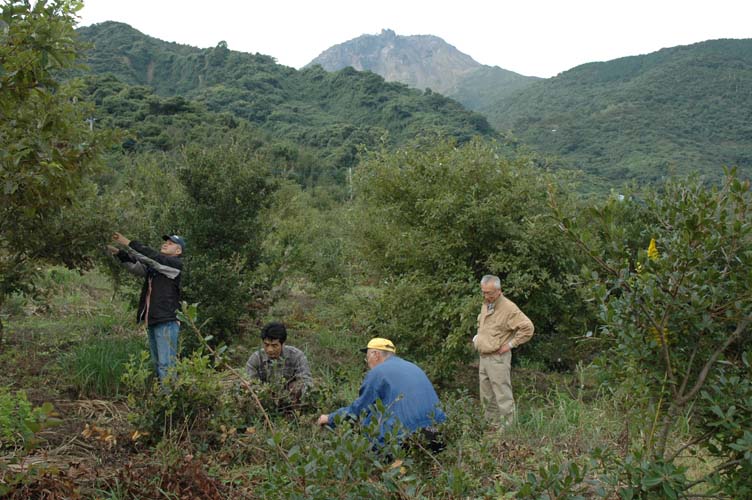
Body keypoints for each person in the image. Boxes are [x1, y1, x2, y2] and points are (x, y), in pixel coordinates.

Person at [317, 338, 446, 448]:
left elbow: (359, 410)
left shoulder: (378, 372)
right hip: (439, 433)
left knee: (369, 424)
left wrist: (330, 418)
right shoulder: (414, 367)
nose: (367, 362)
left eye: (367, 357)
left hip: (405, 438)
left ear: (376, 355)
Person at [108, 232, 185, 381]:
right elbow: (137, 266)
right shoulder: (156, 268)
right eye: (165, 242)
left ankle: (169, 399)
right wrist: (118, 253)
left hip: (166, 322)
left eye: (170, 243)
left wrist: (127, 242)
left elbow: (151, 258)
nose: (165, 244)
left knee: (166, 365)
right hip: (154, 321)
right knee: (158, 364)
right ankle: (163, 399)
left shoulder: (174, 265)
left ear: (178, 251)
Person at [474, 275, 534, 429]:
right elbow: (484, 324)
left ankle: (508, 430)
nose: (486, 296)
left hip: (498, 358)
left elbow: (528, 328)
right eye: (484, 292)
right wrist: (478, 338)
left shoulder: (509, 308)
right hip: (484, 357)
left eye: (490, 293)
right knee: (487, 396)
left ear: (499, 291)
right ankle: (491, 428)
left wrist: (511, 344)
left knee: (502, 395)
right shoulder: (486, 304)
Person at [245, 322, 313, 400]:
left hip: (290, 399)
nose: (270, 350)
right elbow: (250, 381)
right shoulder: (256, 358)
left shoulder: (297, 356)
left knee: (298, 386)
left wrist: (299, 393)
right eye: (266, 345)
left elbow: (307, 382)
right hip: (264, 397)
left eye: (274, 345)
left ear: (283, 343)